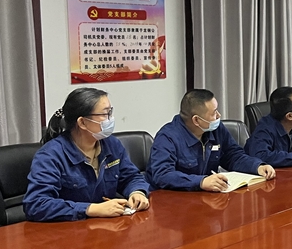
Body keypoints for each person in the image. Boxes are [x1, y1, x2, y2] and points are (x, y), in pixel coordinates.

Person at [24, 88, 150, 222]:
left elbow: (131, 177)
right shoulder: (51, 155)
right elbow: (36, 204)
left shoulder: (111, 144)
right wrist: (90, 209)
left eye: (110, 112)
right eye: (105, 114)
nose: (110, 119)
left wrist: (137, 192)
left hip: (107, 226)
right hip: (69, 228)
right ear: (82, 122)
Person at [147, 89, 276, 192]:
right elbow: (162, 175)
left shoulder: (216, 129)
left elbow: (233, 155)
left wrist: (257, 166)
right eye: (214, 113)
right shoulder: (167, 137)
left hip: (205, 197)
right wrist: (201, 182)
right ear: (196, 120)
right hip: (170, 200)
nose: (219, 116)